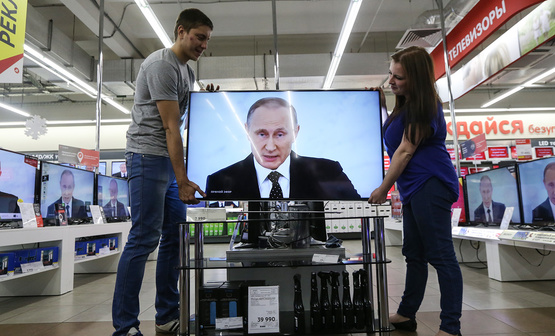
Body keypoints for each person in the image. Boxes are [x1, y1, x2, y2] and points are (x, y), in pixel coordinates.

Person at [111, 8, 214, 336]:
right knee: (143, 238)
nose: (203, 46)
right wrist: (182, 179)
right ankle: (125, 326)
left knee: (174, 236)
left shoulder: (188, 73)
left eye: (207, 40)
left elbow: (184, 123)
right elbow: (171, 128)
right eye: (199, 37)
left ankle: (166, 315)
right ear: (181, 31)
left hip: (167, 163)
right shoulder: (160, 65)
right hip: (146, 156)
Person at [368, 46, 462, 336]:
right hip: (414, 188)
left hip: (430, 184)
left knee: (441, 256)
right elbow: (397, 137)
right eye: (391, 75)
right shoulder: (407, 105)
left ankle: (450, 327)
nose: (391, 81)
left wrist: (383, 188)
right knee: (414, 254)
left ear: (417, 79)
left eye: (399, 77)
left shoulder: (425, 105)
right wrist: (382, 104)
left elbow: (405, 150)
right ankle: (407, 314)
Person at [205, 97, 360, 200]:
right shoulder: (219, 181)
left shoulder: (329, 172)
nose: (270, 147)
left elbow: (362, 211)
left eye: (279, 134)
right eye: (261, 134)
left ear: (295, 133)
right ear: (247, 132)